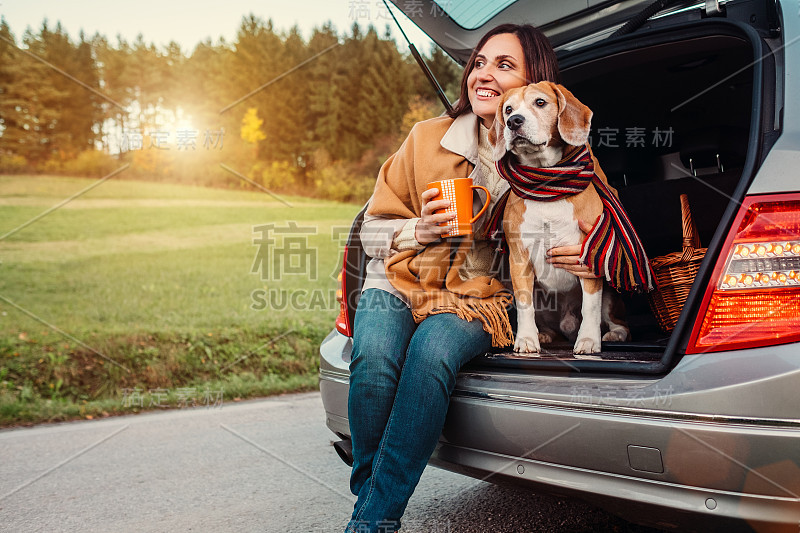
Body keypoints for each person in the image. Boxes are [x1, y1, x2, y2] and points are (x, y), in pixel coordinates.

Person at [345, 23, 597, 533]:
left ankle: (372, 521)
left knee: (431, 354)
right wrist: (421, 227)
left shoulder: (557, 156)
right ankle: (371, 507)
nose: (484, 74)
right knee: (373, 361)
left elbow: (603, 219)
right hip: (399, 277)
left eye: (505, 66)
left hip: (482, 294)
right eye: (480, 62)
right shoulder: (425, 138)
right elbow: (370, 231)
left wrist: (596, 252)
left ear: (535, 87)